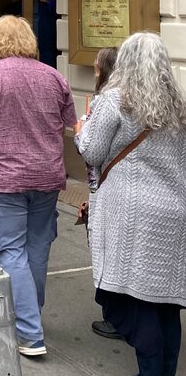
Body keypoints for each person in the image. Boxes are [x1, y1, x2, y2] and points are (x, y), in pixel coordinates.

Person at [75, 32, 186, 376]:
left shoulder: (113, 101)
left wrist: (80, 131)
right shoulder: (177, 106)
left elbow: (91, 151)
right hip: (174, 210)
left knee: (136, 303)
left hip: (131, 211)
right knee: (166, 305)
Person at [0, 15, 78, 357]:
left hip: (4, 177)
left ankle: (28, 331)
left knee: (9, 250)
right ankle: (30, 312)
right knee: (37, 249)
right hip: (48, 176)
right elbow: (72, 125)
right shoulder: (55, 77)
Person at [73, 46, 120, 340]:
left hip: (105, 187)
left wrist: (79, 131)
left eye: (96, 67)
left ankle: (113, 314)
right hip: (107, 186)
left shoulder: (107, 101)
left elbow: (92, 151)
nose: (93, 72)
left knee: (106, 250)